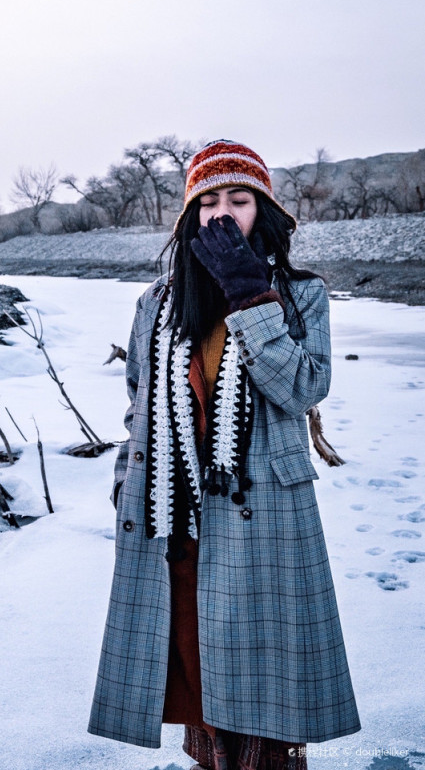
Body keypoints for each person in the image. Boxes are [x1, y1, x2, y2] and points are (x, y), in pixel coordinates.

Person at [88, 140, 361, 770]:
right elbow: (139, 404)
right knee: (199, 679)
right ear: (188, 216)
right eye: (206, 200)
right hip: (176, 519)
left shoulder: (299, 295)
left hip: (262, 511)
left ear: (261, 211)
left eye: (238, 199)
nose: (221, 212)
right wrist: (127, 481)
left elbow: (301, 387)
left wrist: (249, 295)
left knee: (263, 686)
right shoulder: (157, 303)